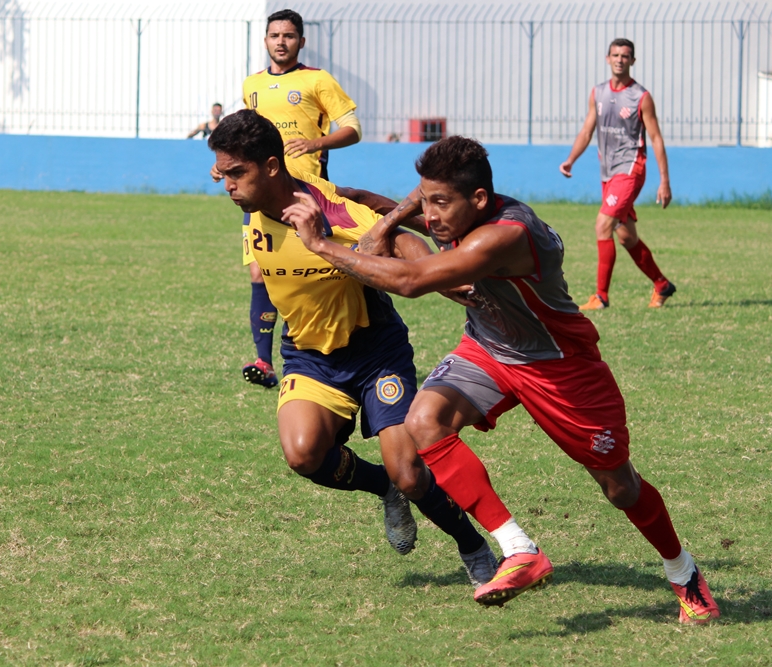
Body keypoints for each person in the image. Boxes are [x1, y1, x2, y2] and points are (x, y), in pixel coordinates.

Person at [288, 135, 719, 623]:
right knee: (424, 421)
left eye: (440, 203)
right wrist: (382, 213)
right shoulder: (457, 210)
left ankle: (683, 572)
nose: (429, 217)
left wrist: (320, 243)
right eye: (425, 200)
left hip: (558, 366)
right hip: (488, 350)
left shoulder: (505, 234)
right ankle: (518, 547)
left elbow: (410, 281)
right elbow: (385, 203)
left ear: (477, 200)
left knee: (620, 487)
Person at [207, 110, 500, 587]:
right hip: (308, 354)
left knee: (409, 471)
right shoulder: (254, 207)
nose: (228, 186)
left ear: (272, 167)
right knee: (303, 454)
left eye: (237, 174)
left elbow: (398, 237)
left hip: (374, 350)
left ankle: (473, 547)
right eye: (224, 174)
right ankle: (381, 487)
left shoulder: (325, 212)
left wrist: (438, 278)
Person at [215, 8, 363, 389]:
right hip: (263, 195)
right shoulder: (252, 85)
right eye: (275, 35)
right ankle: (264, 361)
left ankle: (334, 351)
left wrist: (315, 142)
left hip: (307, 193)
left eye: (289, 36)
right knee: (259, 271)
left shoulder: (318, 80)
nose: (281, 42)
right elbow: (243, 135)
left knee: (325, 272)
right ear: (265, 40)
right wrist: (227, 165)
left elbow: (352, 129)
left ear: (301, 41)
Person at [559, 38, 676, 311]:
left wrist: (665, 181)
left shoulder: (641, 97)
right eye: (615, 55)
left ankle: (601, 297)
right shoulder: (597, 93)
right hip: (608, 174)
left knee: (602, 225)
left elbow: (656, 138)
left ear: (632, 61)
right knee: (626, 237)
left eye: (625, 56)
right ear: (607, 58)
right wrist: (570, 160)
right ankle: (662, 285)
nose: (620, 59)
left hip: (630, 171)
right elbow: (587, 130)